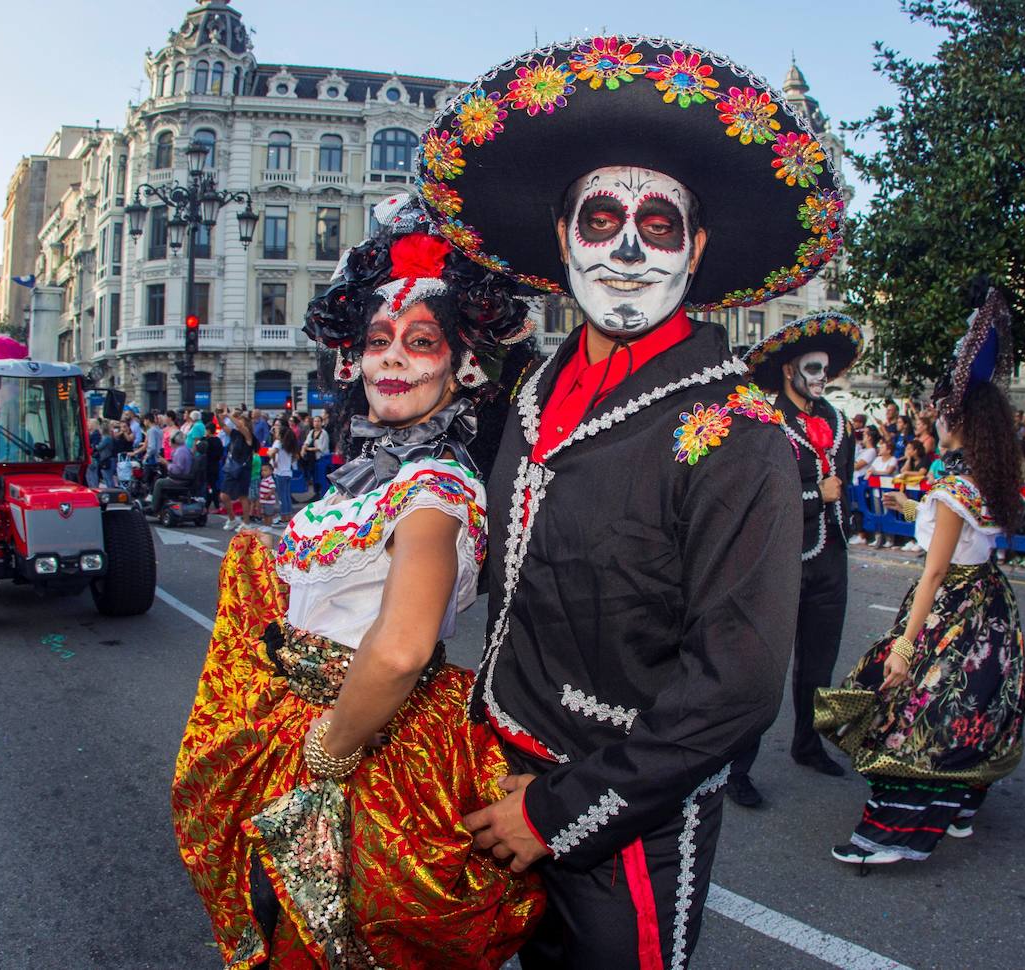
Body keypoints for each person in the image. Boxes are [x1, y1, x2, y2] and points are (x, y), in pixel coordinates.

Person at [420, 36, 834, 967]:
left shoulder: (737, 431)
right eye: (601, 220)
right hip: (500, 782)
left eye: (661, 224)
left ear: (699, 249)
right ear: (562, 239)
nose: (630, 249)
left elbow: (737, 685)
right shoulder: (527, 397)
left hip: (621, 821)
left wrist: (556, 814)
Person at [171, 201, 544, 967]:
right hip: (303, 729)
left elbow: (402, 648)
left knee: (326, 937)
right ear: (353, 358)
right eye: (378, 342)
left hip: (365, 752)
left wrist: (328, 751)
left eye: (419, 342)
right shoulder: (368, 475)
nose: (394, 361)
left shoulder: (436, 484)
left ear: (461, 362)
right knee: (280, 920)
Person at [817, 286, 1025, 866]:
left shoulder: (952, 487)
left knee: (914, 715)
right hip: (989, 602)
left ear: (959, 418)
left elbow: (934, 572)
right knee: (978, 706)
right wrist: (922, 513)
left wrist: (906, 643)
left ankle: (894, 837)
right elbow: (969, 540)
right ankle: (961, 808)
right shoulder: (985, 476)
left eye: (942, 410)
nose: (935, 417)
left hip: (951, 608)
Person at [730, 312, 863, 806]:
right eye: (812, 368)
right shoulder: (766, 423)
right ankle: (737, 767)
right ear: (789, 371)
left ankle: (809, 745)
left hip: (832, 558)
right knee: (764, 668)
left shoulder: (838, 420)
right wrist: (816, 496)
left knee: (819, 663)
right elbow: (759, 496)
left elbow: (844, 484)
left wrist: (839, 508)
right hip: (783, 561)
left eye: (825, 370)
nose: (820, 378)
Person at [218, 411, 255, 531]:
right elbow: (223, 427)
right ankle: (232, 519)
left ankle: (246, 522)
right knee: (224, 495)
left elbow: (240, 426)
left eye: (241, 422)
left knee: (242, 496)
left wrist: (229, 415)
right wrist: (218, 416)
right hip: (231, 468)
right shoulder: (235, 435)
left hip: (243, 470)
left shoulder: (249, 437)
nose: (238, 424)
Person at [151, 431, 194, 513]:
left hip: (179, 480)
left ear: (174, 441)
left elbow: (177, 470)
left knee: (159, 482)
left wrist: (166, 464)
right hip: (183, 477)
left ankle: (154, 507)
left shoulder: (180, 452)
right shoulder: (184, 449)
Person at [271, 423, 299, 521]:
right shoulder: (289, 444)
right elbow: (295, 457)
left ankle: (283, 516)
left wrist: (273, 460)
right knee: (286, 495)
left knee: (282, 496)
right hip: (287, 471)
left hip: (280, 472)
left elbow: (272, 452)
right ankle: (288, 516)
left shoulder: (278, 442)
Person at [302, 415, 330, 498]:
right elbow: (307, 441)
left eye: (318, 421)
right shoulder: (311, 432)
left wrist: (308, 449)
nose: (316, 423)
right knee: (314, 477)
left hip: (322, 459)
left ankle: (323, 495)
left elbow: (322, 448)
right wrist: (303, 448)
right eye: (315, 421)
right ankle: (316, 494)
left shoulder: (324, 433)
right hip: (313, 459)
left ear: (321, 423)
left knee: (321, 478)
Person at [256, 461, 277, 526]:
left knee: (269, 514)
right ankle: (265, 525)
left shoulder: (270, 480)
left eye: (265, 470)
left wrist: (268, 495)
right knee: (264, 514)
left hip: (269, 501)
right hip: (263, 501)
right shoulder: (263, 479)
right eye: (262, 470)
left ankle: (269, 525)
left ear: (271, 471)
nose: (263, 472)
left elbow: (273, 489)